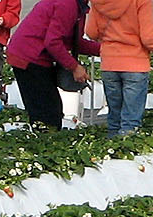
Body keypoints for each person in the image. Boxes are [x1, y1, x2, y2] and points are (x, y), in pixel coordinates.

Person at [6, 0, 100, 129]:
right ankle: (43, 141)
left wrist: (106, 50)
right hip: (30, 56)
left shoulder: (77, 6)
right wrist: (74, 66)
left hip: (34, 55)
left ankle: (44, 139)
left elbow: (74, 41)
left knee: (50, 108)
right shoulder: (67, 4)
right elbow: (53, 42)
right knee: (47, 112)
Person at [86, 0, 153, 137]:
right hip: (135, 64)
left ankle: (113, 150)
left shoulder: (99, 1)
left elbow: (91, 32)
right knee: (130, 121)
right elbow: (148, 38)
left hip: (109, 63)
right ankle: (126, 150)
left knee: (114, 118)